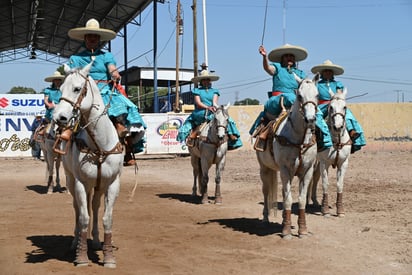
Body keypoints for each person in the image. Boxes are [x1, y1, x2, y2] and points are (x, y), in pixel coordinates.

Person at [67, 18, 146, 166]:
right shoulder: (75, 58)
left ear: (99, 39)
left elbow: (111, 68)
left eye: (95, 36)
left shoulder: (106, 55)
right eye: (89, 36)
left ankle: (127, 148)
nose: (92, 39)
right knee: (68, 111)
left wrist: (115, 73)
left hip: (106, 90)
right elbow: (74, 76)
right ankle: (67, 138)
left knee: (126, 109)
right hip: (86, 92)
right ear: (85, 38)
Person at [249, 44, 332, 151]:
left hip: (295, 102)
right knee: (291, 97)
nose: (289, 58)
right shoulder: (277, 68)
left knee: (314, 108)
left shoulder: (300, 73)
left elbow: (306, 87)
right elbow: (268, 68)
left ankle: (323, 136)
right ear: (282, 58)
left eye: (291, 56)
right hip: (277, 101)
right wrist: (264, 57)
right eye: (286, 56)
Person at [176, 70, 242, 150]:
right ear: (201, 81)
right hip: (200, 111)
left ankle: (231, 136)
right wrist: (207, 107)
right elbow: (198, 102)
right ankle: (193, 135)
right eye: (204, 80)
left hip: (212, 110)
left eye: (207, 80)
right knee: (197, 121)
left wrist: (215, 108)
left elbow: (214, 102)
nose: (206, 81)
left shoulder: (214, 91)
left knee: (227, 119)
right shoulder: (197, 91)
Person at [311, 60, 366, 153]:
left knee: (346, 113)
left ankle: (352, 131)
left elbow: (340, 94)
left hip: (335, 104)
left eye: (330, 71)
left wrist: (336, 99)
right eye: (326, 71)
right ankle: (318, 135)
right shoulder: (317, 85)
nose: (328, 73)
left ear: (332, 73)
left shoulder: (337, 83)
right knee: (317, 116)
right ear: (322, 73)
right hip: (322, 106)